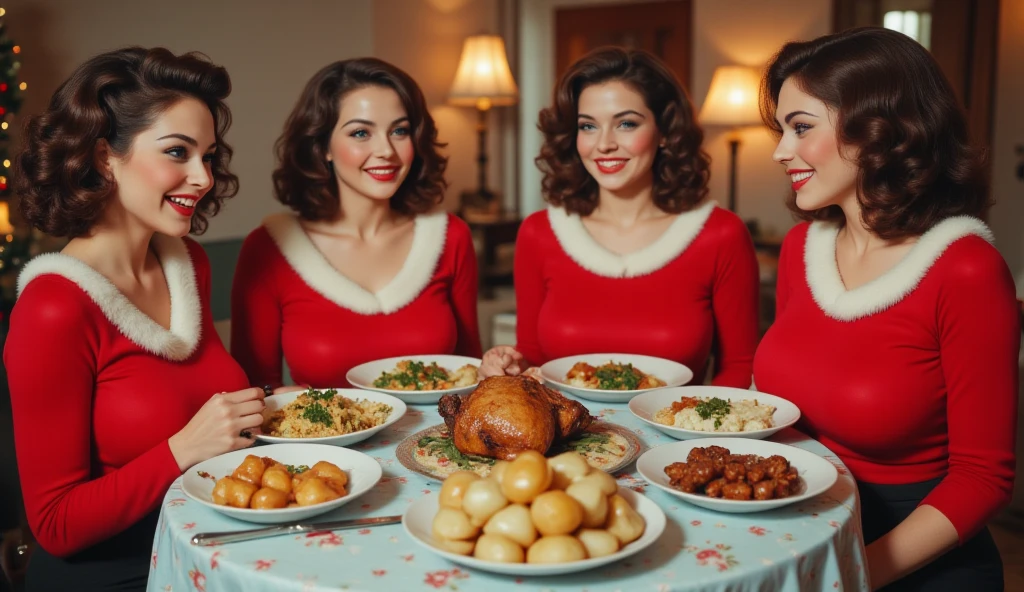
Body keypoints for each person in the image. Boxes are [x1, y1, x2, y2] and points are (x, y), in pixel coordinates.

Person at [753, 27, 1019, 591]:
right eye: (781, 129)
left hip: (910, 563)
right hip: (801, 537)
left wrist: (848, 574)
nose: (780, 151)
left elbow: (983, 478)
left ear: (879, 129)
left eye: (801, 128)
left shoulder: (964, 269)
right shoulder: (803, 250)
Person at [5, 47, 265, 591]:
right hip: (116, 576)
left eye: (209, 156)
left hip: (207, 552)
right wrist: (182, 449)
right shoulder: (54, 307)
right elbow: (53, 524)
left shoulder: (186, 263)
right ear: (104, 156)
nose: (203, 177)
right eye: (178, 152)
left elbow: (208, 412)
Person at [479, 47, 759, 387]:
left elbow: (740, 366)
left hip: (675, 437)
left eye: (626, 123)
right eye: (588, 126)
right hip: (565, 437)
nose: (604, 144)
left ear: (666, 131)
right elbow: (534, 357)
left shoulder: (720, 234)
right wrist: (508, 365)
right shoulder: (539, 233)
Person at [231, 58, 481, 390]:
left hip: (435, 442)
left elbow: (471, 374)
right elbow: (250, 392)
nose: (386, 151)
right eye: (361, 132)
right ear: (323, 147)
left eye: (400, 131)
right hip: (323, 444)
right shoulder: (269, 248)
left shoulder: (451, 236)